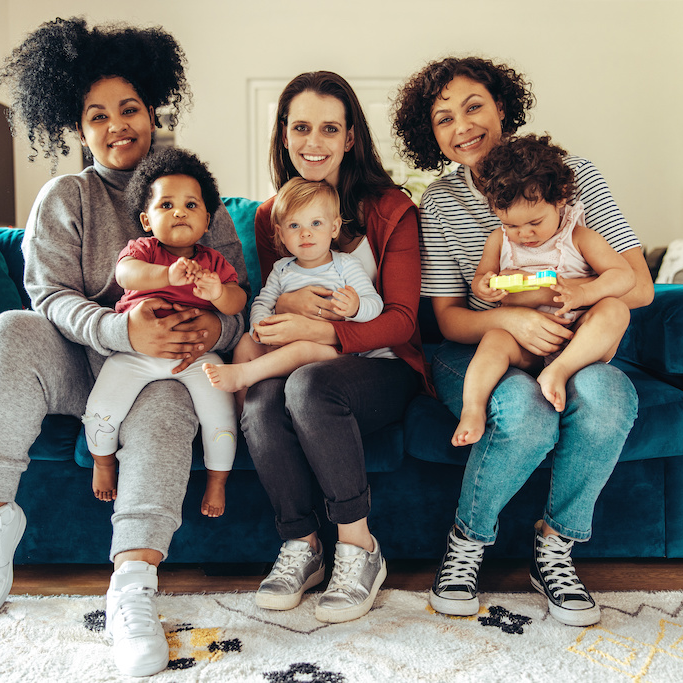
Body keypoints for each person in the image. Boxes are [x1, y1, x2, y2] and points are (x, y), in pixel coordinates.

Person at [0, 18, 247, 678]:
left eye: (130, 109)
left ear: (151, 111)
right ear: (77, 128)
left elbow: (238, 299)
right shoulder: (67, 196)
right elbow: (49, 297)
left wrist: (215, 332)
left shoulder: (196, 196)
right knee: (6, 332)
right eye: (98, 116)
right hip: (80, 360)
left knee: (172, 389)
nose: (118, 125)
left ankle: (134, 587)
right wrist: (121, 331)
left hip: (165, 368)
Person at [392, 57, 654, 627]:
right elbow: (451, 319)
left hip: (575, 331)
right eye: (443, 119)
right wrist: (510, 319)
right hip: (486, 345)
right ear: (430, 135)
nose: (461, 126)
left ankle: (555, 547)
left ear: (503, 106)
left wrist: (574, 293)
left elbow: (640, 289)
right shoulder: (439, 201)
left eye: (473, 106)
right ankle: (465, 544)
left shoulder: (572, 176)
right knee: (525, 410)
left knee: (609, 398)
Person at [241, 71, 426, 625]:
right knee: (258, 399)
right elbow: (277, 295)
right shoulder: (271, 213)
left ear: (350, 138)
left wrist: (327, 332)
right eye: (301, 127)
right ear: (283, 134)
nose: (313, 142)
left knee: (309, 385)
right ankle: (303, 546)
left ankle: (359, 547)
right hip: (304, 357)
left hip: (382, 367)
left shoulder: (391, 209)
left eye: (329, 128)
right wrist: (288, 312)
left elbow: (401, 321)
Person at [83, 147, 246, 519]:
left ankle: (217, 480)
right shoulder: (145, 250)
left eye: (191, 206)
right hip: (134, 353)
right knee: (103, 409)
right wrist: (166, 276)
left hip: (194, 355)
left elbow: (238, 301)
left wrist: (219, 293)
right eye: (166, 205)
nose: (179, 212)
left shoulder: (213, 262)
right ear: (146, 219)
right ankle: (104, 461)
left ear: (207, 221)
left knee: (220, 416)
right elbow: (125, 274)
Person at [452, 134, 635, 446]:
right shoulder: (499, 240)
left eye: (535, 222)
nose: (524, 234)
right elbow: (482, 276)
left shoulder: (579, 236)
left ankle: (559, 371)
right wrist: (485, 286)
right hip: (523, 344)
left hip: (577, 339)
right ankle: (472, 408)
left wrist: (584, 294)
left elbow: (624, 276)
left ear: (560, 198)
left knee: (616, 310)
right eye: (511, 225)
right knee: (494, 339)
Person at [203, 177, 392, 395]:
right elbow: (262, 302)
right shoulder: (282, 269)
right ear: (281, 234)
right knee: (246, 341)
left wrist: (356, 307)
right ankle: (240, 417)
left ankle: (245, 374)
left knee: (302, 349)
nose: (305, 233)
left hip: (334, 351)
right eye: (294, 225)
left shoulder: (346, 265)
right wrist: (259, 328)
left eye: (316, 223)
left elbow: (374, 304)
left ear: (335, 227)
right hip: (285, 343)